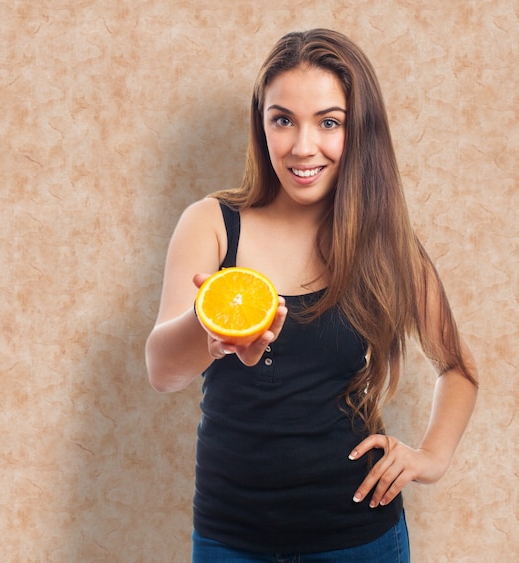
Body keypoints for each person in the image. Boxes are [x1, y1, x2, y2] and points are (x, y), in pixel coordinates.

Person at [145, 28, 478, 562]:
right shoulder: (210, 223)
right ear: (262, 125)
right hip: (230, 538)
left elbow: (457, 369)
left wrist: (431, 458)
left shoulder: (384, 241)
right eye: (283, 120)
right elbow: (162, 372)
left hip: (359, 538)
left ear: (359, 129)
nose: (303, 147)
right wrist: (213, 334)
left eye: (329, 122)